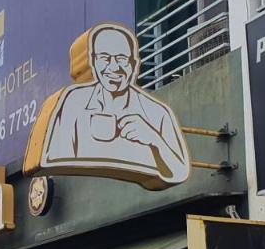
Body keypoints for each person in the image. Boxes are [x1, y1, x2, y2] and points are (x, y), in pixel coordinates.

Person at [25, 23, 190, 189]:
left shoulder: (157, 112)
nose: (114, 67)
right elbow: (51, 157)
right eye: (105, 58)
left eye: (121, 59)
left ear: (134, 64)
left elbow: (180, 171)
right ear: (94, 63)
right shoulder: (72, 102)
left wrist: (154, 139)